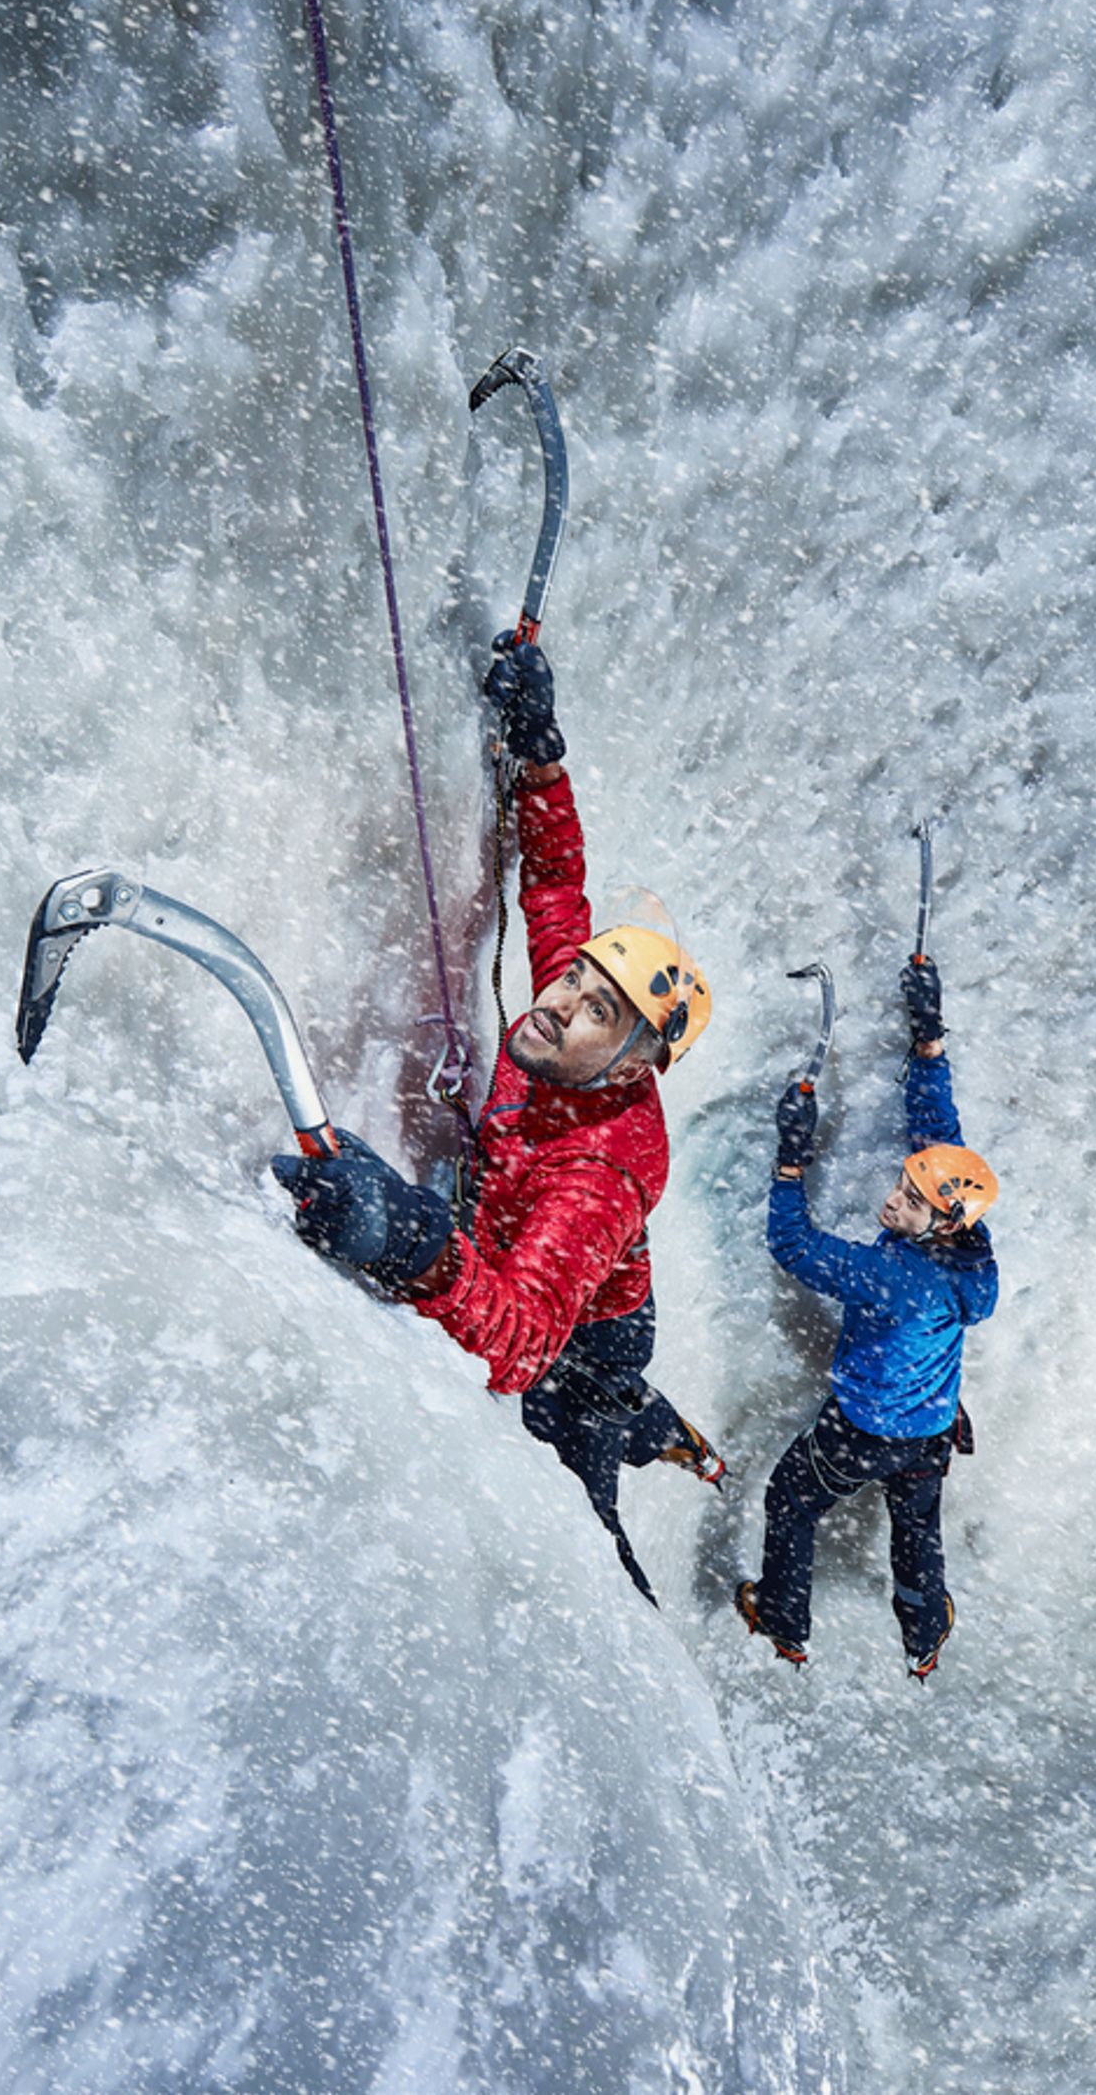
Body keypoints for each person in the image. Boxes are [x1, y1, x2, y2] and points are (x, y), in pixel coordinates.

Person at [272, 636, 723, 1604]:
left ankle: (641, 1625)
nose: (557, 999)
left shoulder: (599, 1170)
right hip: (558, 1286)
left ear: (638, 1062)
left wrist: (410, 1241)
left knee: (583, 1529)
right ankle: (661, 1431)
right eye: (574, 979)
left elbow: (519, 1346)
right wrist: (541, 755)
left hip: (581, 1337)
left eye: (597, 1007)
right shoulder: (568, 1033)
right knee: (613, 1411)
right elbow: (555, 887)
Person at [735, 953, 999, 1678]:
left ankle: (785, 1623)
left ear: (940, 1224)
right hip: (931, 1426)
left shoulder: (887, 1275)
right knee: (915, 1528)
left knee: (791, 1501)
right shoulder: (969, 1251)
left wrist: (791, 1161)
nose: (895, 1199)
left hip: (865, 1429)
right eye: (904, 1185)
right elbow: (937, 1134)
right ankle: (924, 1637)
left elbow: (794, 1246)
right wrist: (929, 1041)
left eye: (911, 1201)